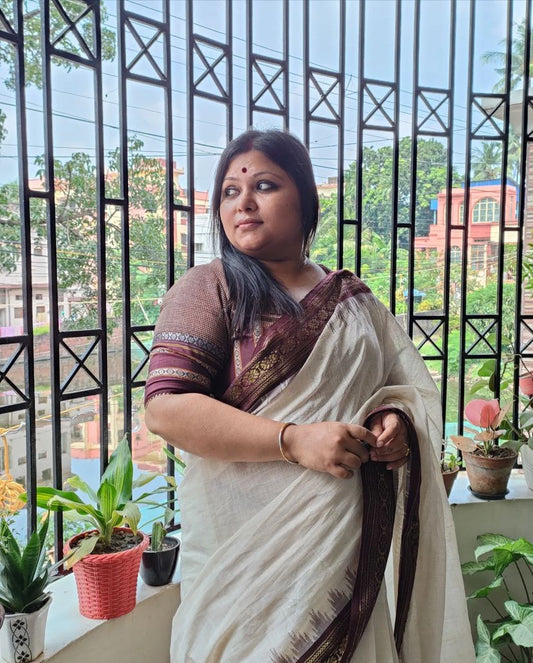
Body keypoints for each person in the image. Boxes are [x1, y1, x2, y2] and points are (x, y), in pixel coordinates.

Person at [144, 129, 475, 663]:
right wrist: (293, 441)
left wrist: (394, 420)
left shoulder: (353, 300)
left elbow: (403, 386)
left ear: (305, 197)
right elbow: (165, 409)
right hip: (243, 563)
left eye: (264, 185)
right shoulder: (210, 287)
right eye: (229, 191)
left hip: (341, 558)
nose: (243, 202)